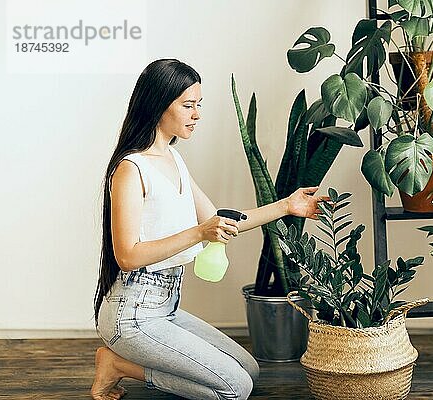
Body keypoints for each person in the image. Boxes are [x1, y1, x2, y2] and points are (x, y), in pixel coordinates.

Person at [91, 59, 325, 400]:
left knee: (249, 369)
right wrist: (200, 233)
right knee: (235, 388)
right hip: (133, 315)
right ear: (158, 104)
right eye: (188, 105)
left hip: (167, 306)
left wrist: (286, 206)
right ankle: (118, 365)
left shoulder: (174, 159)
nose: (197, 114)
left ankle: (123, 364)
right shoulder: (131, 168)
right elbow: (127, 256)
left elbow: (218, 218)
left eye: (198, 105)